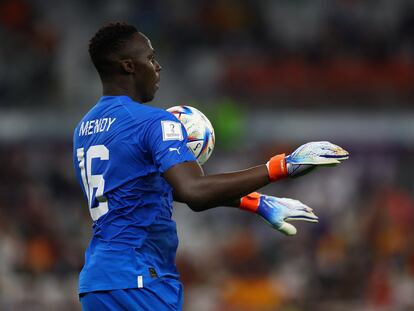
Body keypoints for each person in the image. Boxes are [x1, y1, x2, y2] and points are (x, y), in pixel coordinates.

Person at [73, 22, 349, 311]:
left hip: (98, 282)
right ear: (129, 66)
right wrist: (283, 166)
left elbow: (153, 188)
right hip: (140, 276)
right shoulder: (154, 122)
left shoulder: (85, 129)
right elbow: (194, 191)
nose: (158, 67)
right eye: (151, 58)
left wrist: (255, 203)